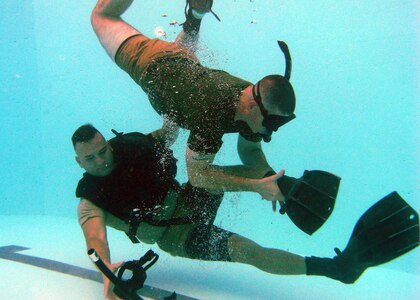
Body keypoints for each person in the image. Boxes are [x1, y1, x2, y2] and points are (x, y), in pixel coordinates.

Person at [73, 124, 378, 299]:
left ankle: (280, 186)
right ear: (79, 163)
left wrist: (191, 27)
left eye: (103, 151)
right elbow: (96, 241)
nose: (101, 161)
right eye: (90, 158)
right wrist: (109, 280)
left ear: (108, 145)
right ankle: (337, 269)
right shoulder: (90, 200)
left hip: (190, 201)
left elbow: (170, 125)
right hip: (180, 236)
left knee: (206, 170)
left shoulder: (130, 145)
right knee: (249, 251)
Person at [90, 0, 296, 211]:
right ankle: (195, 16)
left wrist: (270, 177)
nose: (270, 130)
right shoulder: (212, 112)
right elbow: (198, 176)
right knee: (101, 16)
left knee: (171, 128)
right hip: (152, 62)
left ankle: (195, 16)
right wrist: (256, 186)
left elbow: (250, 149)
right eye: (271, 122)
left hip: (186, 66)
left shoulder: (253, 101)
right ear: (252, 106)